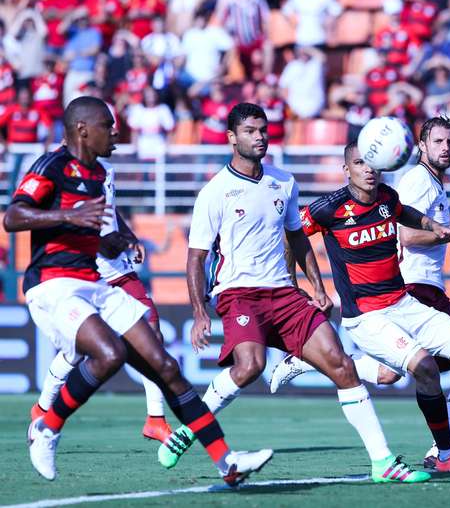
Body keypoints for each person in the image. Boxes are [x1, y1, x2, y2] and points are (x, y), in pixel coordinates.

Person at [157, 103, 429, 484]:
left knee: (342, 366)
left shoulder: (283, 182)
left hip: (285, 295)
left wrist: (317, 289)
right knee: (249, 366)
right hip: (239, 294)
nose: (260, 136)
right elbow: (195, 257)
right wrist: (200, 312)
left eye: (263, 129)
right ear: (232, 137)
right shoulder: (214, 192)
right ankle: (191, 428)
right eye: (250, 131)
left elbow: (298, 239)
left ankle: (382, 462)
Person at [5, 96, 271, 485]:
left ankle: (226, 463)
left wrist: (118, 242)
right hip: (52, 285)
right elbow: (13, 215)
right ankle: (47, 428)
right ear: (82, 130)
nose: (116, 132)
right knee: (108, 353)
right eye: (108, 125)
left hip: (93, 282)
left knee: (166, 367)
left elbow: (100, 234)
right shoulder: (53, 165)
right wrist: (68, 214)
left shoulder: (99, 174)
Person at [271, 118, 450, 470]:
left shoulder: (388, 198)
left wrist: (439, 227)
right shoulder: (330, 208)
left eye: (371, 162)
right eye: (359, 163)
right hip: (367, 315)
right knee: (424, 367)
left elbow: (405, 214)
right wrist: (301, 285)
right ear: (345, 169)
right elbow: (293, 233)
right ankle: (447, 454)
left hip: (403, 303)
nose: (368, 169)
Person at [29, 159, 173, 442]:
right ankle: (42, 408)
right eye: (108, 127)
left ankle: (155, 418)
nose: (115, 134)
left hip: (117, 267)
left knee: (152, 333)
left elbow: (109, 208)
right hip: (88, 270)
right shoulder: (67, 168)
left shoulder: (104, 165)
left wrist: (129, 237)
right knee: (77, 350)